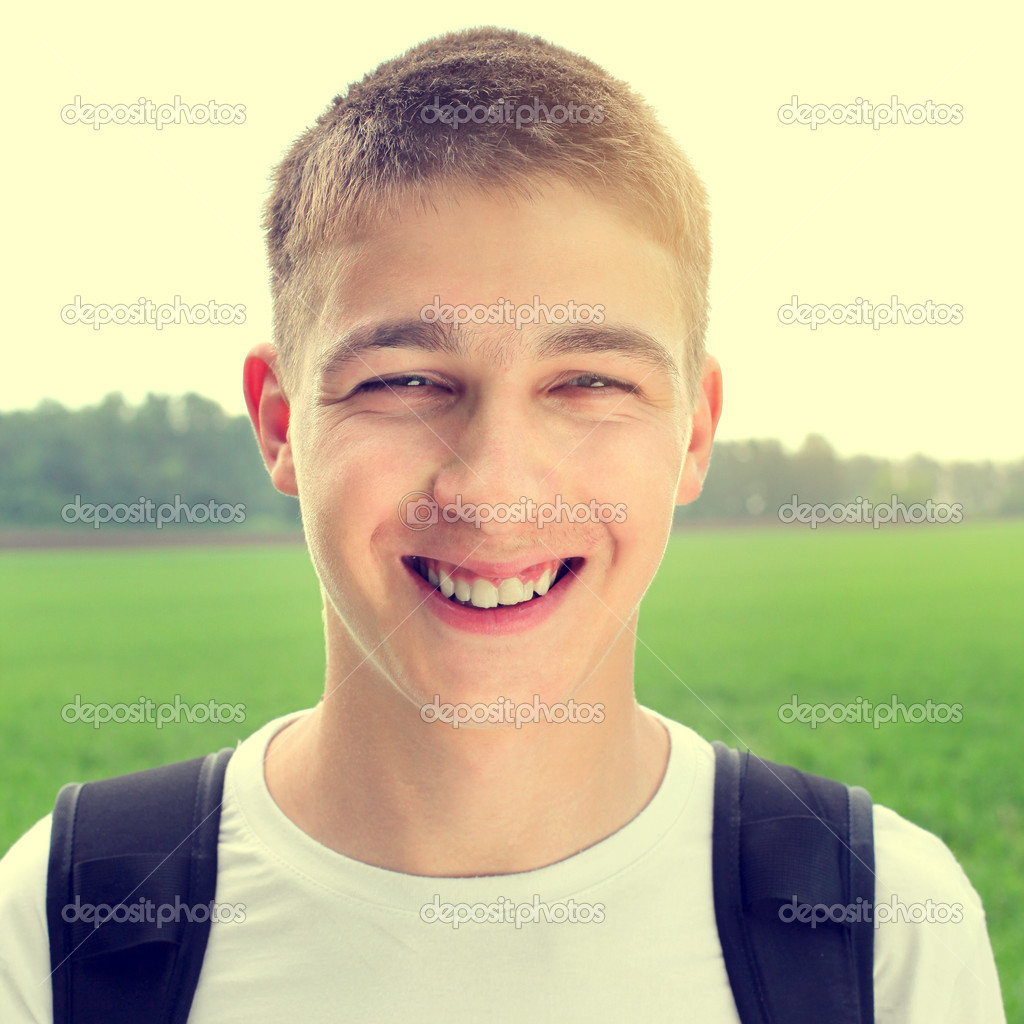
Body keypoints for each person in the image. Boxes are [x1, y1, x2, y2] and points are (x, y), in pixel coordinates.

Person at [0, 25, 1005, 1022]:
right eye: (402, 380)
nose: (492, 491)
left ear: (693, 433)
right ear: (278, 423)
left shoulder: (880, 926)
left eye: (586, 381)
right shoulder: (57, 920)